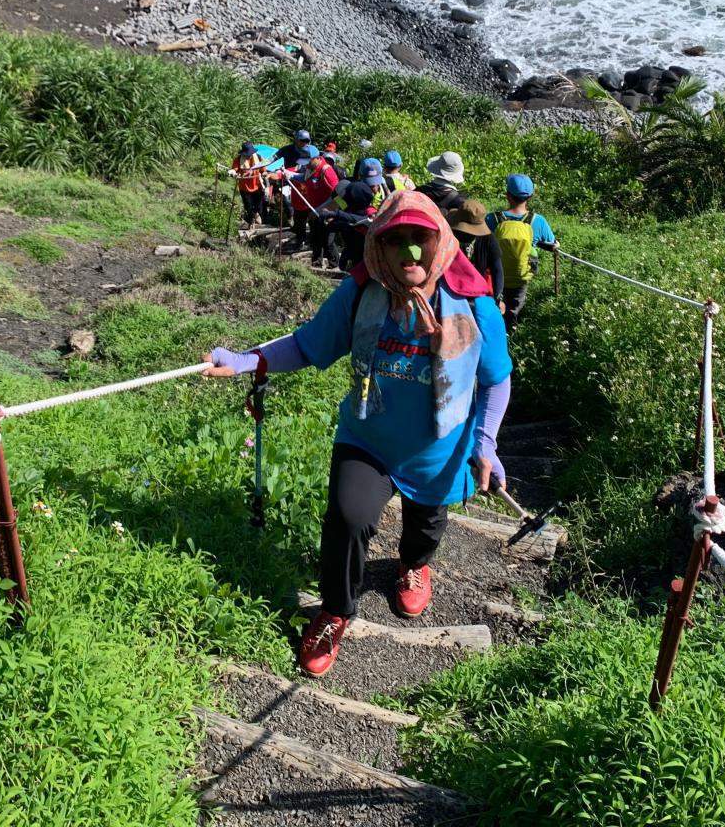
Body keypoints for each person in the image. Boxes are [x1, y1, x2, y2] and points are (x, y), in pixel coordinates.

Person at [204, 191, 512, 677]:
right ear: (378, 248)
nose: (411, 253)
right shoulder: (361, 294)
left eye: (421, 239)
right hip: (369, 436)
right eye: (397, 241)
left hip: (440, 445)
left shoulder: (473, 305)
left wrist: (486, 442)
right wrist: (249, 359)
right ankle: (335, 610)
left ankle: (414, 562)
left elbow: (496, 378)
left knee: (426, 525)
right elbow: (309, 344)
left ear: (442, 242)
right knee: (348, 516)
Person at [487, 174, 558, 328]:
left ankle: (495, 328)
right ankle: (512, 329)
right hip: (521, 277)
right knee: (515, 306)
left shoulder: (492, 219)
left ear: (507, 195)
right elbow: (554, 244)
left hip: (495, 274)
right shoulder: (538, 221)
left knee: (494, 303)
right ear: (531, 196)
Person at [447, 200, 504, 298]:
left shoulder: (488, 239)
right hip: (467, 290)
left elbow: (497, 270)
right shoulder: (489, 240)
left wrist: (498, 297)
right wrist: (497, 297)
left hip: (464, 290)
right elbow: (497, 270)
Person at [230, 142, 269, 226]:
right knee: (248, 206)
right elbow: (234, 169)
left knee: (259, 205)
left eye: (250, 153)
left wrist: (264, 174)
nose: (249, 155)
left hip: (257, 185)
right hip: (244, 187)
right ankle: (251, 222)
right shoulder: (238, 159)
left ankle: (256, 215)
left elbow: (264, 170)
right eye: (247, 154)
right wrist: (233, 172)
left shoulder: (258, 158)